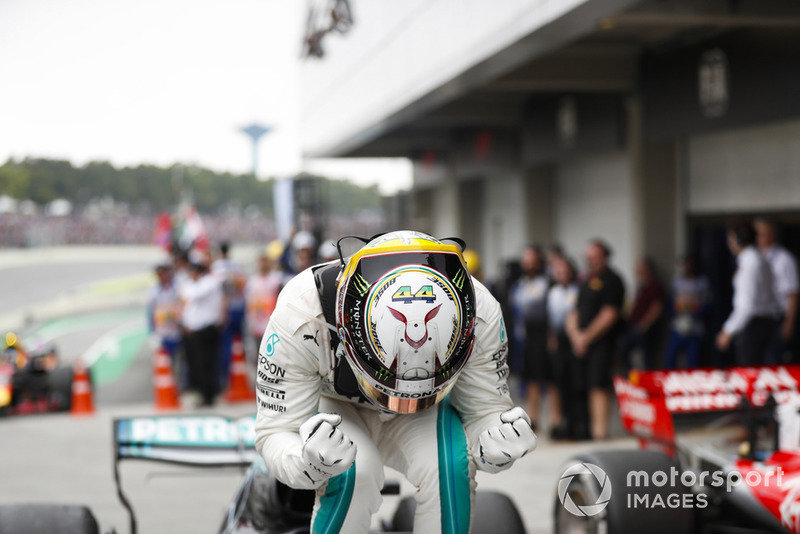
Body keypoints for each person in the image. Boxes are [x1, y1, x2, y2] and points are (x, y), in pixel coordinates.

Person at [254, 231, 536, 533]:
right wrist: (308, 463)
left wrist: (494, 443)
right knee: (352, 475)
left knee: (451, 469)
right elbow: (276, 430)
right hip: (335, 405)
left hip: (429, 410)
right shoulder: (301, 314)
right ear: (345, 325)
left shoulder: (481, 311)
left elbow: (484, 411)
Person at [566, 239, 625, 441]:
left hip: (602, 343)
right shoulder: (585, 280)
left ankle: (600, 431)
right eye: (589, 257)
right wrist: (575, 336)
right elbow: (574, 312)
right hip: (581, 344)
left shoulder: (613, 281)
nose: (591, 261)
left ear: (605, 257)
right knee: (582, 385)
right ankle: (586, 429)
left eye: (595, 257)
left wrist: (586, 337)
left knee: (598, 385)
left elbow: (609, 314)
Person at [716, 223, 781, 366]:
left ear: (740, 239)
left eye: (731, 238)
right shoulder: (759, 259)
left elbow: (746, 306)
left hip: (753, 326)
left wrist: (728, 330)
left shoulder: (750, 262)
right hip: (766, 323)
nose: (729, 243)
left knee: (749, 373)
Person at [509, 245, 553, 429]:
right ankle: (532, 416)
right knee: (529, 377)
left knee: (547, 376)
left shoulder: (547, 283)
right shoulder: (518, 284)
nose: (528, 264)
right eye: (525, 260)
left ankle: (554, 417)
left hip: (542, 333)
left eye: (531, 260)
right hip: (524, 336)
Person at [180, 252, 224, 407]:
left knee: (206, 364)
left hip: (206, 328)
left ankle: (209, 394)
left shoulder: (208, 282)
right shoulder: (200, 283)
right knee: (199, 364)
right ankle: (205, 393)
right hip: (197, 329)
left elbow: (193, 294)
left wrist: (189, 285)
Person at [755, 217, 799, 364]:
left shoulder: (784, 259)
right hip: (759, 319)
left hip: (778, 317)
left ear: (772, 234)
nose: (758, 238)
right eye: (756, 234)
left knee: (774, 361)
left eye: (762, 234)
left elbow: (792, 293)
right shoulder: (753, 257)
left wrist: (789, 322)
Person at [546, 256, 579, 439]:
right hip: (558, 340)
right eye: (558, 272)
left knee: (573, 381)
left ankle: (574, 421)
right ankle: (559, 420)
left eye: (564, 271)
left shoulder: (577, 290)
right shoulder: (553, 292)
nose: (561, 275)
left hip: (573, 339)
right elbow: (551, 319)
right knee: (557, 381)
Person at [618, 258, 665, 371]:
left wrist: (644, 324)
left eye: (641, 269)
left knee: (646, 358)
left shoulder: (654, 286)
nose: (638, 272)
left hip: (643, 328)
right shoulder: (641, 286)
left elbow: (657, 307)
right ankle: (632, 375)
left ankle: (648, 382)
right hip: (632, 326)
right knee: (623, 352)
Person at [212, 241, 248, 389]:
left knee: (226, 346)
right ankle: (241, 375)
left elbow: (220, 289)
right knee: (240, 344)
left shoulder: (218, 267)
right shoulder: (237, 266)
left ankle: (228, 380)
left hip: (226, 309)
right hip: (239, 307)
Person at [664, 256, 711, 369]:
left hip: (695, 327)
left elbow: (707, 304)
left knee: (693, 360)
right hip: (678, 325)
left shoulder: (702, 282)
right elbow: (670, 302)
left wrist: (695, 317)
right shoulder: (677, 282)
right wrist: (675, 317)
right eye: (684, 264)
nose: (686, 267)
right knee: (670, 357)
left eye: (688, 264)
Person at [245, 252, 284, 353]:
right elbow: (250, 303)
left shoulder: (275, 280)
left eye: (264, 261)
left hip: (271, 324)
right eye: (260, 261)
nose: (262, 264)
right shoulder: (252, 281)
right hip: (257, 325)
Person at [146, 260, 182, 362]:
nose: (162, 276)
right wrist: (152, 333)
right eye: (159, 273)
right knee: (164, 363)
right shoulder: (153, 291)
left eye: (164, 273)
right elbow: (150, 312)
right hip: (162, 332)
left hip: (177, 332)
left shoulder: (177, 287)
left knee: (179, 361)